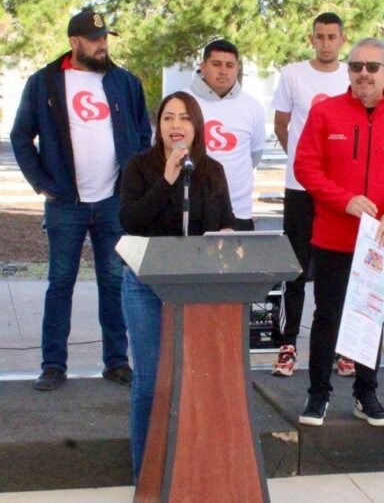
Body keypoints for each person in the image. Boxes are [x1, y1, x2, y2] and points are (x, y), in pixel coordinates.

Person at [10, 10, 152, 391]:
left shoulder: (125, 82)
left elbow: (142, 136)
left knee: (113, 280)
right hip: (65, 204)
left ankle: (116, 361)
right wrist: (42, 182)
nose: (102, 44)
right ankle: (53, 364)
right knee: (60, 283)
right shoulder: (44, 83)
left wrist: (131, 184)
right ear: (75, 42)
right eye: (94, 39)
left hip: (113, 202)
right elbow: (21, 137)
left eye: (105, 37)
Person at [294, 38, 384, 427]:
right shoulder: (326, 113)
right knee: (329, 316)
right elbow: (306, 167)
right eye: (356, 67)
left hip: (380, 241)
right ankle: (317, 395)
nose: (363, 74)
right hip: (334, 236)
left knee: (369, 319)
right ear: (348, 72)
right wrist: (344, 200)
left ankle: (365, 394)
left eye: (372, 67)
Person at [119, 91, 234, 482]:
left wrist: (228, 235)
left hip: (197, 287)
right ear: (159, 126)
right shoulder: (139, 167)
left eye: (184, 118)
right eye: (168, 118)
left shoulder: (212, 170)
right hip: (145, 285)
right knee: (151, 380)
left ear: (196, 126)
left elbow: (226, 221)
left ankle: (190, 469)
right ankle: (146, 476)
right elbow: (131, 221)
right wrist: (167, 180)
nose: (176, 126)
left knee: (197, 380)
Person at [270, 12, 350, 378]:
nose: (326, 43)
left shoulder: (352, 75)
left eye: (332, 37)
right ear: (311, 39)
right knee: (295, 266)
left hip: (340, 192)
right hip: (301, 187)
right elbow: (281, 125)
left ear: (342, 40)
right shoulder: (293, 74)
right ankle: (288, 344)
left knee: (337, 270)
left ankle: (341, 347)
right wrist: (305, 165)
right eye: (320, 36)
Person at [185, 39, 266, 231]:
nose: (223, 71)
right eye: (216, 64)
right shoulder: (182, 102)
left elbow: (254, 155)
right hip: (193, 211)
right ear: (203, 67)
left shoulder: (252, 107)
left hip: (238, 211)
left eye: (229, 65)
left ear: (237, 68)